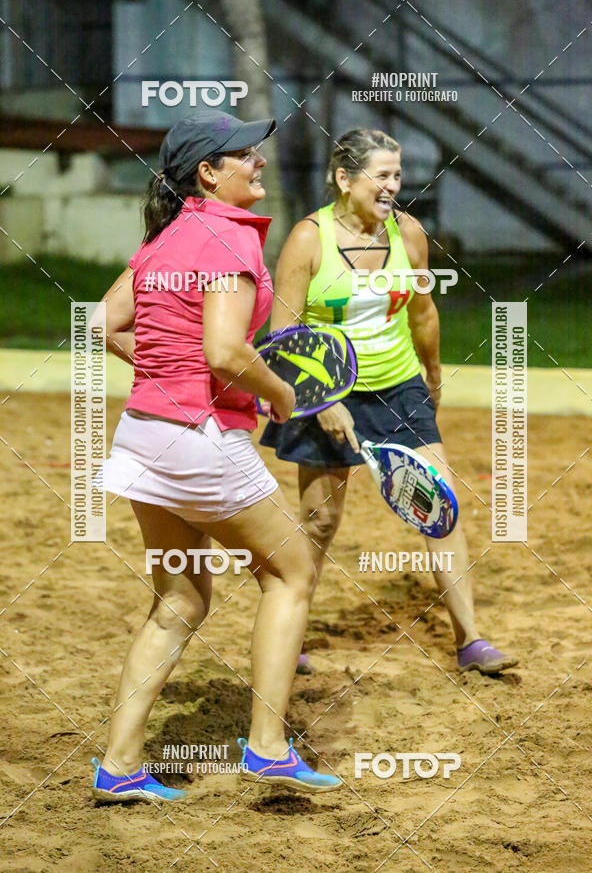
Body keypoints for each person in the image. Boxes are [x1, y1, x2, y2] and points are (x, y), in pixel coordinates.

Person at [90, 111, 342, 803]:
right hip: (199, 440)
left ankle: (119, 767)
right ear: (209, 172)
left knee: (179, 598)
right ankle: (266, 749)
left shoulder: (168, 236)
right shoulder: (230, 236)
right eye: (246, 155)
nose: (258, 163)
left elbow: (102, 323)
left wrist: (167, 378)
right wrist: (283, 395)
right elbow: (226, 353)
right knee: (291, 572)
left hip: (144, 434)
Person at [261, 128, 519, 677]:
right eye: (381, 175)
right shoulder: (310, 239)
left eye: (397, 176)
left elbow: (423, 311)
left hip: (398, 384)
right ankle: (290, 634)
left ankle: (471, 641)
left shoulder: (408, 233)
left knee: (439, 506)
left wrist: (431, 374)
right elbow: (281, 334)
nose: (392, 187)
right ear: (344, 178)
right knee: (321, 521)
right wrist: (320, 400)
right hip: (325, 387)